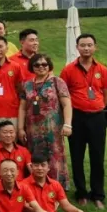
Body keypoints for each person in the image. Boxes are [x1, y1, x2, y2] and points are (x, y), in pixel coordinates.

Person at [60, 34, 107, 209]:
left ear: (95, 47)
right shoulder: (68, 70)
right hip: (77, 117)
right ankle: (82, 193)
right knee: (77, 156)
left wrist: (96, 107)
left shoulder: (103, 70)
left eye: (89, 45)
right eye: (82, 45)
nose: (86, 48)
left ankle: (98, 194)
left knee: (97, 156)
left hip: (97, 117)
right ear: (77, 47)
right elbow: (63, 95)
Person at [18, 54, 72, 190]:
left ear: (49, 66)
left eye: (44, 64)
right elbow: (23, 108)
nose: (41, 67)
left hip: (52, 129)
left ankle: (56, 187)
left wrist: (67, 124)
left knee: (54, 157)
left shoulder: (57, 82)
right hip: (33, 129)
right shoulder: (27, 84)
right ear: (32, 67)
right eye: (37, 65)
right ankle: (36, 187)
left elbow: (67, 104)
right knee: (35, 157)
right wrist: (20, 128)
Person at [21, 155, 90, 212]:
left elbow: (66, 206)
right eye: (36, 165)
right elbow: (24, 208)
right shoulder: (23, 185)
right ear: (31, 167)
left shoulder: (55, 184)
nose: (40, 168)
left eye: (43, 165)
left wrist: (79, 211)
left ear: (48, 167)